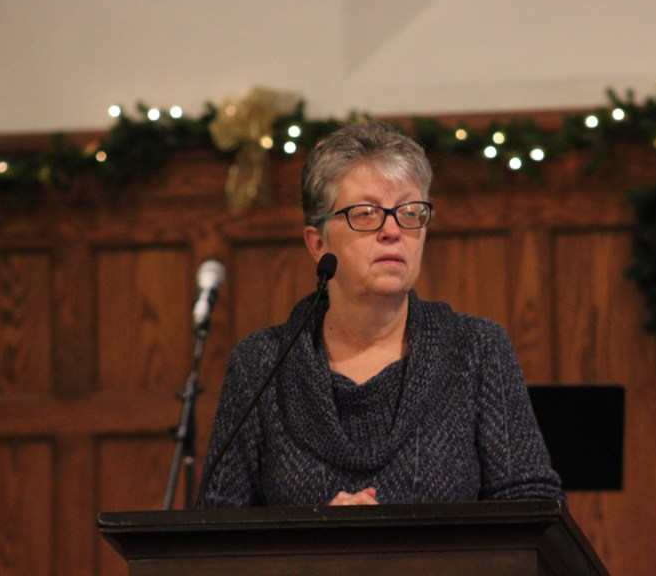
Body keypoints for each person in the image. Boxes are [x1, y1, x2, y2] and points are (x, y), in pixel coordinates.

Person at [200, 121, 565, 507]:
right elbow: (218, 517)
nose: (393, 230)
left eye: (409, 211)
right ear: (318, 243)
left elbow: (533, 504)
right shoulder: (261, 364)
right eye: (366, 213)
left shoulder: (476, 349)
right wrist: (313, 532)